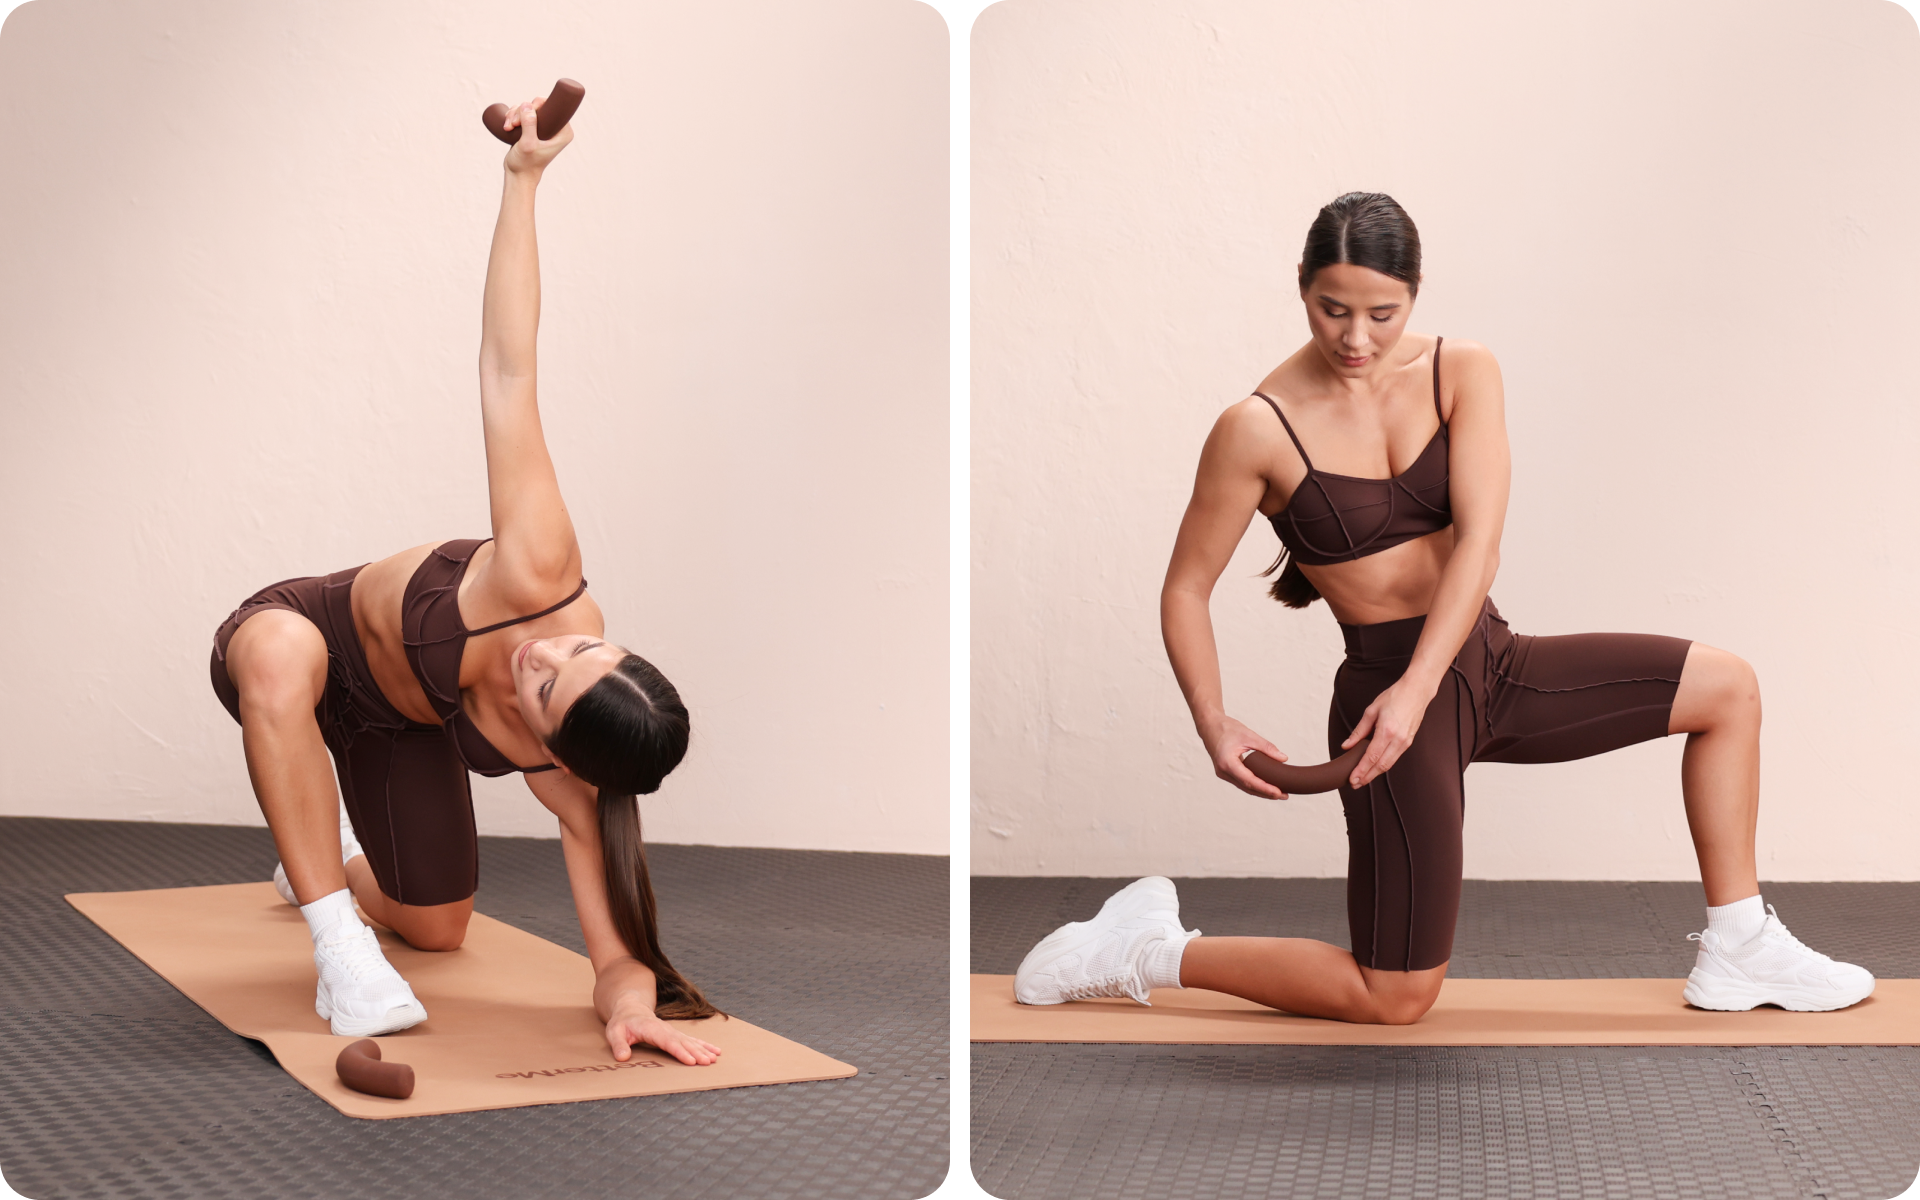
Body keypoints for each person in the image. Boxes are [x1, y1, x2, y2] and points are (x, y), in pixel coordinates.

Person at [1015, 192, 1873, 1023]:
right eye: (1332, 309)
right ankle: (1144, 951)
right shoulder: (1257, 428)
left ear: (1413, 296)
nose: (1357, 338)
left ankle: (1741, 943)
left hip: (1481, 664)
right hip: (1383, 705)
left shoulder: (1462, 370)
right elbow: (1185, 587)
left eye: (1382, 314)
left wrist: (1427, 685)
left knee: (1729, 690)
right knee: (1393, 997)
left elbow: (1480, 543)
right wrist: (1213, 719)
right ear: (1303, 288)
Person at [208, 95, 725, 1063]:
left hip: (393, 725)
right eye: (579, 648)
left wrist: (626, 1003)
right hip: (298, 641)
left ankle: (320, 863)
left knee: (438, 927)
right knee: (281, 654)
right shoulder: (541, 576)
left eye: (545, 683)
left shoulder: (577, 780)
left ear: (556, 745)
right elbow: (508, 371)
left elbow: (614, 954)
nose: (542, 651)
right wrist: (522, 182)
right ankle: (339, 950)